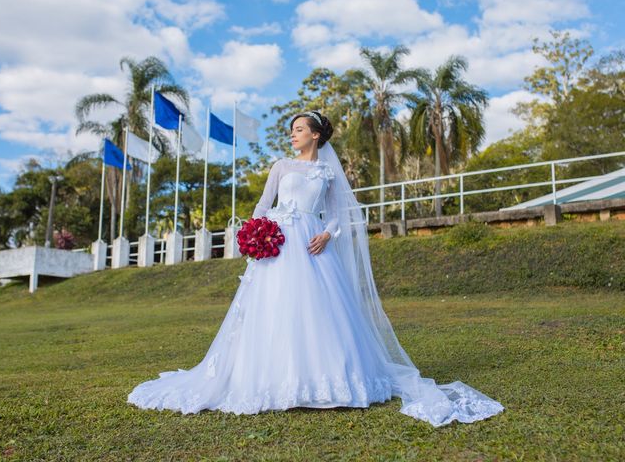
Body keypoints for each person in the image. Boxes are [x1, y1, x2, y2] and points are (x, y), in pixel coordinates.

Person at [127, 111, 504, 427]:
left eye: (299, 130)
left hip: (311, 242)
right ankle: (274, 379)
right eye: (291, 131)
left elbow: (342, 213)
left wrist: (327, 233)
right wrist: (255, 235)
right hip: (277, 243)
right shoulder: (281, 166)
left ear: (317, 135)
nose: (293, 135)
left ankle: (329, 383)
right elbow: (261, 205)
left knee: (320, 310)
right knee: (274, 308)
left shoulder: (327, 172)